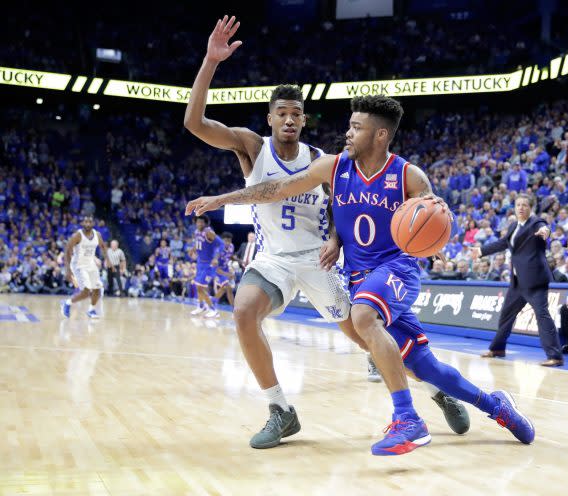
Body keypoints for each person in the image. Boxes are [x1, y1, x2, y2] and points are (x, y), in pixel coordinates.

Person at [185, 93, 535, 454]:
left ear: (380, 135)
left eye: (356, 127)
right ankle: (496, 406)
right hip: (359, 276)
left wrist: (436, 238)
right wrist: (224, 199)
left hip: (396, 270)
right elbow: (277, 189)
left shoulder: (408, 175)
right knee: (425, 367)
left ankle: (408, 418)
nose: (347, 133)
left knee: (363, 316)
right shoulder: (333, 167)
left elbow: (434, 219)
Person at [183, 17, 468, 452]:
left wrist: (336, 239)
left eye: (297, 113)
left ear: (304, 119)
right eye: (282, 113)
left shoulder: (327, 162)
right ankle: (280, 410)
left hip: (319, 260)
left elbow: (346, 208)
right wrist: (210, 61)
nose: (290, 119)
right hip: (273, 259)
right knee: (243, 313)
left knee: (368, 337)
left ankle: (435, 390)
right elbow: (195, 123)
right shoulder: (252, 146)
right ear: (270, 119)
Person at [476, 194, 563, 366]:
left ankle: (555, 356)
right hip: (517, 282)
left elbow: (544, 227)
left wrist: (546, 231)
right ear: (514, 208)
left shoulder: (535, 223)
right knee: (506, 315)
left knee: (542, 316)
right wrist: (480, 251)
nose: (521, 208)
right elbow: (503, 243)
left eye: (525, 205)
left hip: (535, 280)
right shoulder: (514, 226)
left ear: (530, 207)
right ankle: (498, 348)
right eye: (518, 205)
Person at [61, 215, 109, 318]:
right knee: (87, 291)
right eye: (85, 222)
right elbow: (67, 250)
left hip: (90, 264)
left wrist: (108, 259)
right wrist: (68, 269)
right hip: (79, 265)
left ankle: (91, 310)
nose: (87, 224)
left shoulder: (97, 235)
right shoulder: (77, 235)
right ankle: (67, 303)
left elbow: (103, 247)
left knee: (98, 289)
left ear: (93, 224)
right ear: (82, 223)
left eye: (90, 222)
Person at [189, 215, 224, 319]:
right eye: (198, 222)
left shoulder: (209, 232)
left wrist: (216, 258)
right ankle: (201, 306)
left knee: (200, 287)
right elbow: (198, 243)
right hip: (200, 262)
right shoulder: (196, 232)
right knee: (198, 286)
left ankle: (213, 310)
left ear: (205, 223)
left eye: (201, 222)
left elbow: (221, 244)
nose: (199, 224)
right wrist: (193, 249)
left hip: (209, 264)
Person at [214, 231, 235, 307]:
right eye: (226, 241)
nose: (228, 243)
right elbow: (216, 268)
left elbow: (230, 257)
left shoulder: (231, 247)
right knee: (226, 287)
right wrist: (228, 274)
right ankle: (212, 303)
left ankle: (234, 309)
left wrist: (239, 261)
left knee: (226, 288)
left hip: (226, 269)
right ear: (222, 240)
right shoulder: (218, 249)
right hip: (217, 270)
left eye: (229, 241)